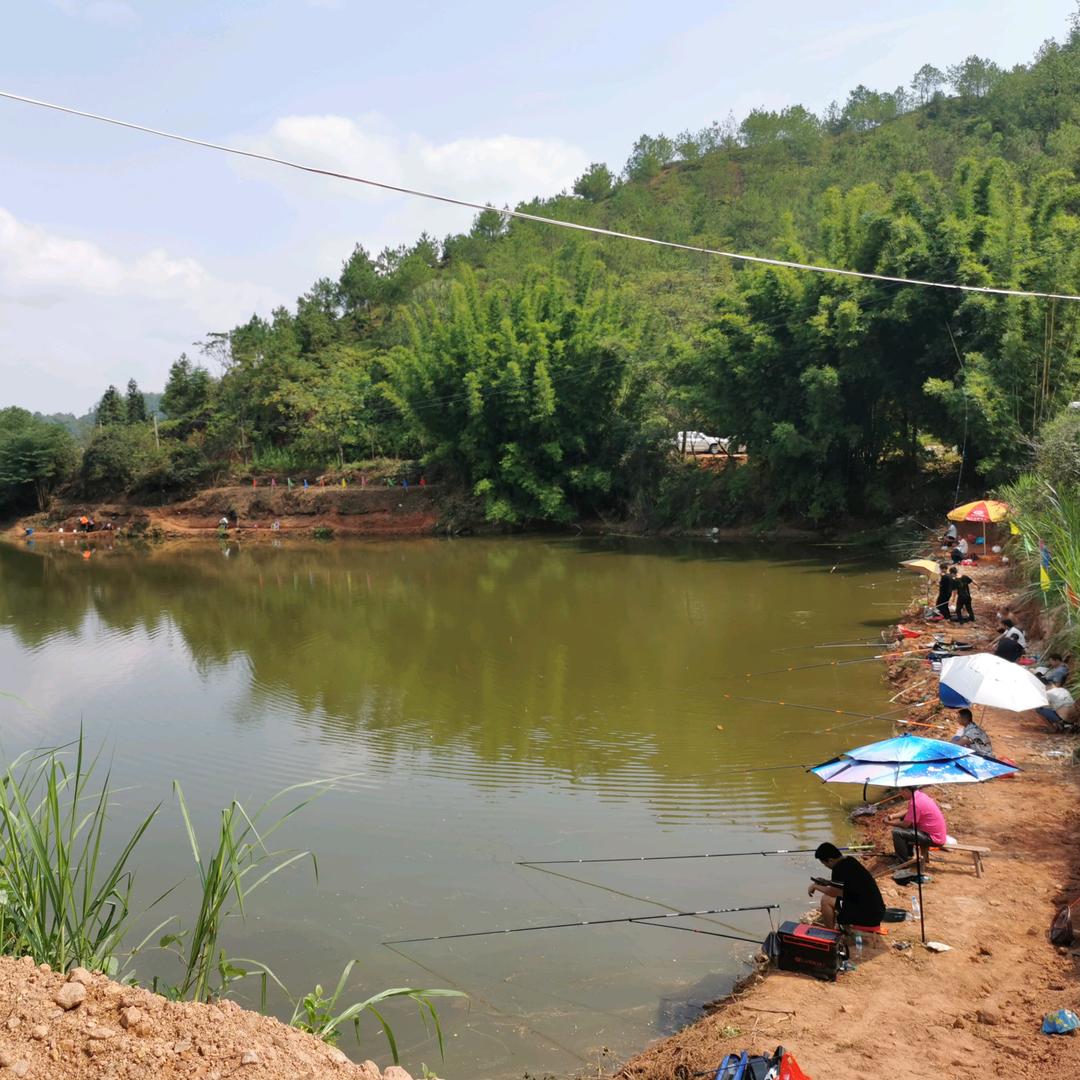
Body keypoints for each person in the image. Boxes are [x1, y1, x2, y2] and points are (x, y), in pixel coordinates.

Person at [807, 843, 886, 930]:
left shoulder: (838, 868)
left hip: (867, 917)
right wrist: (828, 882)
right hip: (877, 912)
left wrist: (815, 886)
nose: (826, 866)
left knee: (826, 900)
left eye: (825, 864)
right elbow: (846, 885)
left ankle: (829, 933)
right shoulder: (849, 861)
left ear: (830, 860)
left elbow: (834, 893)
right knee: (833, 899)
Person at [885, 789, 948, 862]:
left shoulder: (915, 803)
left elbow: (905, 825)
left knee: (897, 832)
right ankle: (908, 854)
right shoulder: (919, 795)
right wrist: (892, 816)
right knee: (903, 822)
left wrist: (888, 823)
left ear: (907, 790)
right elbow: (909, 811)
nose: (900, 793)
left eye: (902, 791)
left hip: (933, 838)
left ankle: (902, 861)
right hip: (936, 835)